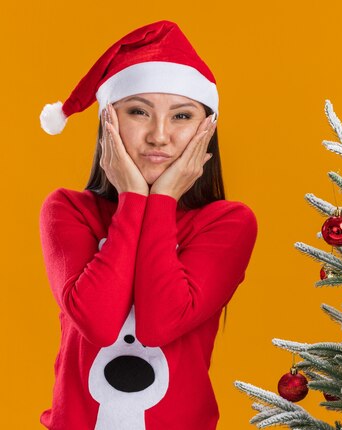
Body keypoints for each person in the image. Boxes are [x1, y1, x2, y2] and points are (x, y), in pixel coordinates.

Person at [38, 20, 258, 429]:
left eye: (182, 116)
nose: (160, 135)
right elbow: (98, 323)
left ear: (205, 131)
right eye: (139, 111)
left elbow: (161, 324)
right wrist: (134, 199)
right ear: (108, 121)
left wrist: (162, 201)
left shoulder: (228, 223)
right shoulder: (67, 210)